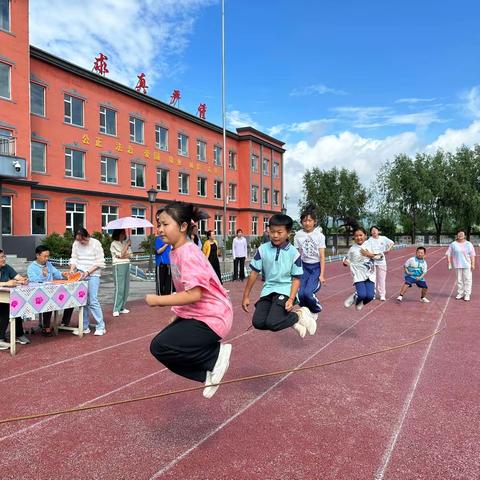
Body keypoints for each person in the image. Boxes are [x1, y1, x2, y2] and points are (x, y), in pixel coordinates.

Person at [146, 202, 233, 399]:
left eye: (165, 224)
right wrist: (178, 316)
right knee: (158, 347)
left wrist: (159, 300)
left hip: (213, 316)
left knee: (161, 345)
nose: (160, 229)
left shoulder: (188, 253)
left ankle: (214, 356)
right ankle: (208, 373)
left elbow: (195, 294)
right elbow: (186, 290)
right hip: (198, 314)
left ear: (183, 227)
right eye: (158, 224)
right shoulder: (176, 251)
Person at [242, 213, 317, 338]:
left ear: (288, 232)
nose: (275, 235)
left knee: (273, 323)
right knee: (258, 322)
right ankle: (294, 321)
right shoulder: (263, 249)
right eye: (272, 231)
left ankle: (299, 314)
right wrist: (246, 296)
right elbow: (254, 273)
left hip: (285, 290)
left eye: (279, 232)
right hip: (268, 290)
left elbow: (296, 278)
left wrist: (291, 299)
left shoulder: (294, 253)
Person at [27, 245, 74, 335]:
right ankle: (46, 326)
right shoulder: (31, 267)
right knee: (48, 302)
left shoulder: (49, 264)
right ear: (37, 255)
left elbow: (56, 274)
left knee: (71, 300)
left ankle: (64, 323)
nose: (47, 258)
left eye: (48, 256)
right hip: (39, 294)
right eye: (45, 256)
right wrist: (43, 275)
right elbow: (33, 280)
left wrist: (63, 274)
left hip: (52, 291)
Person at [69, 228, 106, 336]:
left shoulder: (95, 243)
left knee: (93, 300)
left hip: (93, 273)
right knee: (82, 301)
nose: (81, 242)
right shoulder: (76, 244)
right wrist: (72, 269)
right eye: (79, 240)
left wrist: (88, 272)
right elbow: (74, 258)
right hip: (80, 273)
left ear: (86, 236)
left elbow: (99, 262)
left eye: (82, 240)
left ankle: (101, 326)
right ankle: (84, 326)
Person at [294, 206, 325, 316]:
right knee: (300, 294)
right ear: (301, 222)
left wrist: (321, 275)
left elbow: (322, 256)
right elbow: (296, 255)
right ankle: (306, 312)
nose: (307, 223)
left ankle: (315, 309)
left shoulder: (319, 236)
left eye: (310, 220)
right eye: (305, 221)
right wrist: (294, 272)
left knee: (307, 293)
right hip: (303, 267)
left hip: (315, 267)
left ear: (314, 222)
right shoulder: (298, 235)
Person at [0, 249, 29, 350]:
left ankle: (18, 334)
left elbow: (18, 277)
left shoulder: (7, 267)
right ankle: (0, 338)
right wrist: (6, 283)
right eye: (1, 257)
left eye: (4, 257)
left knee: (16, 306)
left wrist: (23, 280)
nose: (3, 259)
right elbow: (6, 283)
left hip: (5, 296)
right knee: (5, 309)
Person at [343, 227, 376, 311]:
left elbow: (380, 257)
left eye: (361, 235)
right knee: (362, 295)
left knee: (370, 296)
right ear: (354, 237)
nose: (359, 237)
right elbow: (346, 259)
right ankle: (357, 297)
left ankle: (359, 301)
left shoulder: (371, 245)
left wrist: (369, 254)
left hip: (370, 274)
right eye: (356, 236)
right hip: (358, 275)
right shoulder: (352, 249)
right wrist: (345, 262)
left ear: (365, 235)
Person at [365, 226, 394, 301]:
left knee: (381, 279)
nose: (374, 231)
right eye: (372, 230)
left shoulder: (383, 238)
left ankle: (382, 295)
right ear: (371, 232)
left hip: (381, 261)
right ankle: (372, 294)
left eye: (375, 230)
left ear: (378, 231)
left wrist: (388, 249)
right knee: (372, 278)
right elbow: (365, 249)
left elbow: (392, 242)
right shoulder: (369, 240)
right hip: (372, 261)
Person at [446, 229, 476, 301]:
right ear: (457, 235)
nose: (460, 235)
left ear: (465, 236)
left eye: (462, 234)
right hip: (457, 264)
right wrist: (449, 263)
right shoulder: (453, 244)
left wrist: (473, 264)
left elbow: (472, 255)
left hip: (467, 264)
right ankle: (460, 293)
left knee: (467, 279)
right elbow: (448, 253)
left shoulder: (469, 244)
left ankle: (467, 294)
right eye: (459, 234)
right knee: (459, 280)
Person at [110, 229, 132, 317]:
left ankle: (122, 307)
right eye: (122, 233)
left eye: (124, 233)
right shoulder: (114, 244)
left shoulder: (125, 243)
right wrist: (127, 246)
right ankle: (116, 308)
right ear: (117, 234)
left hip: (127, 265)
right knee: (120, 287)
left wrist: (125, 249)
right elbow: (121, 255)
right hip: (118, 266)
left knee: (126, 288)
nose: (123, 235)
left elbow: (130, 255)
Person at [154, 225, 174, 295]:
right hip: (161, 264)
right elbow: (158, 251)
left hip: (169, 264)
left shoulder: (170, 239)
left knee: (168, 283)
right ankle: (160, 297)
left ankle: (167, 297)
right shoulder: (159, 239)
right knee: (160, 283)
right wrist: (166, 244)